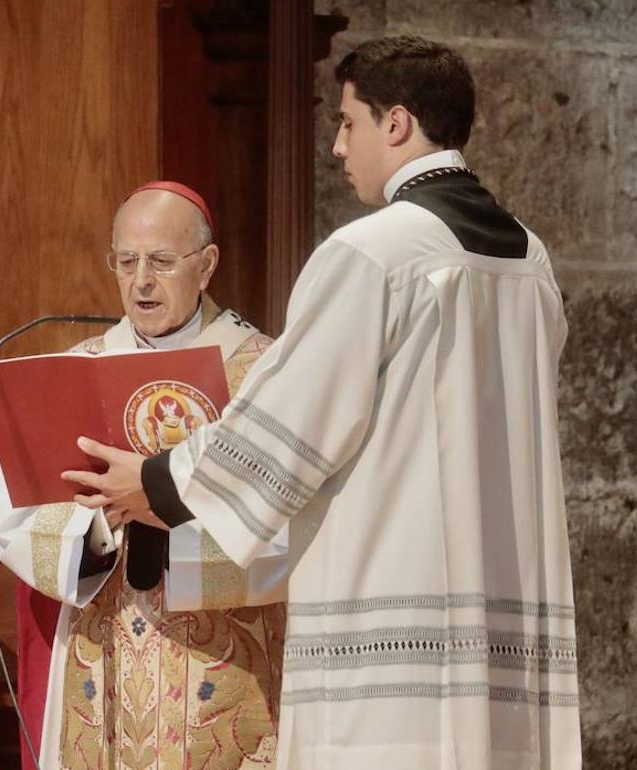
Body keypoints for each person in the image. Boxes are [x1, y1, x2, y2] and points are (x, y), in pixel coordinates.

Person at [66, 36, 581, 769]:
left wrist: (153, 485)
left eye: (348, 123)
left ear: (396, 123)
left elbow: (291, 422)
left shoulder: (374, 252)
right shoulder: (529, 259)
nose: (339, 147)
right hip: (504, 625)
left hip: (396, 633)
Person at [0, 181, 290, 770]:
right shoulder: (75, 369)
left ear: (207, 266)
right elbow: (18, 513)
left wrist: (164, 506)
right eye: (126, 261)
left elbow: (294, 520)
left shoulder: (265, 373)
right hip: (100, 666)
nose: (141, 280)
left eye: (161, 261)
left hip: (227, 674)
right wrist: (101, 519)